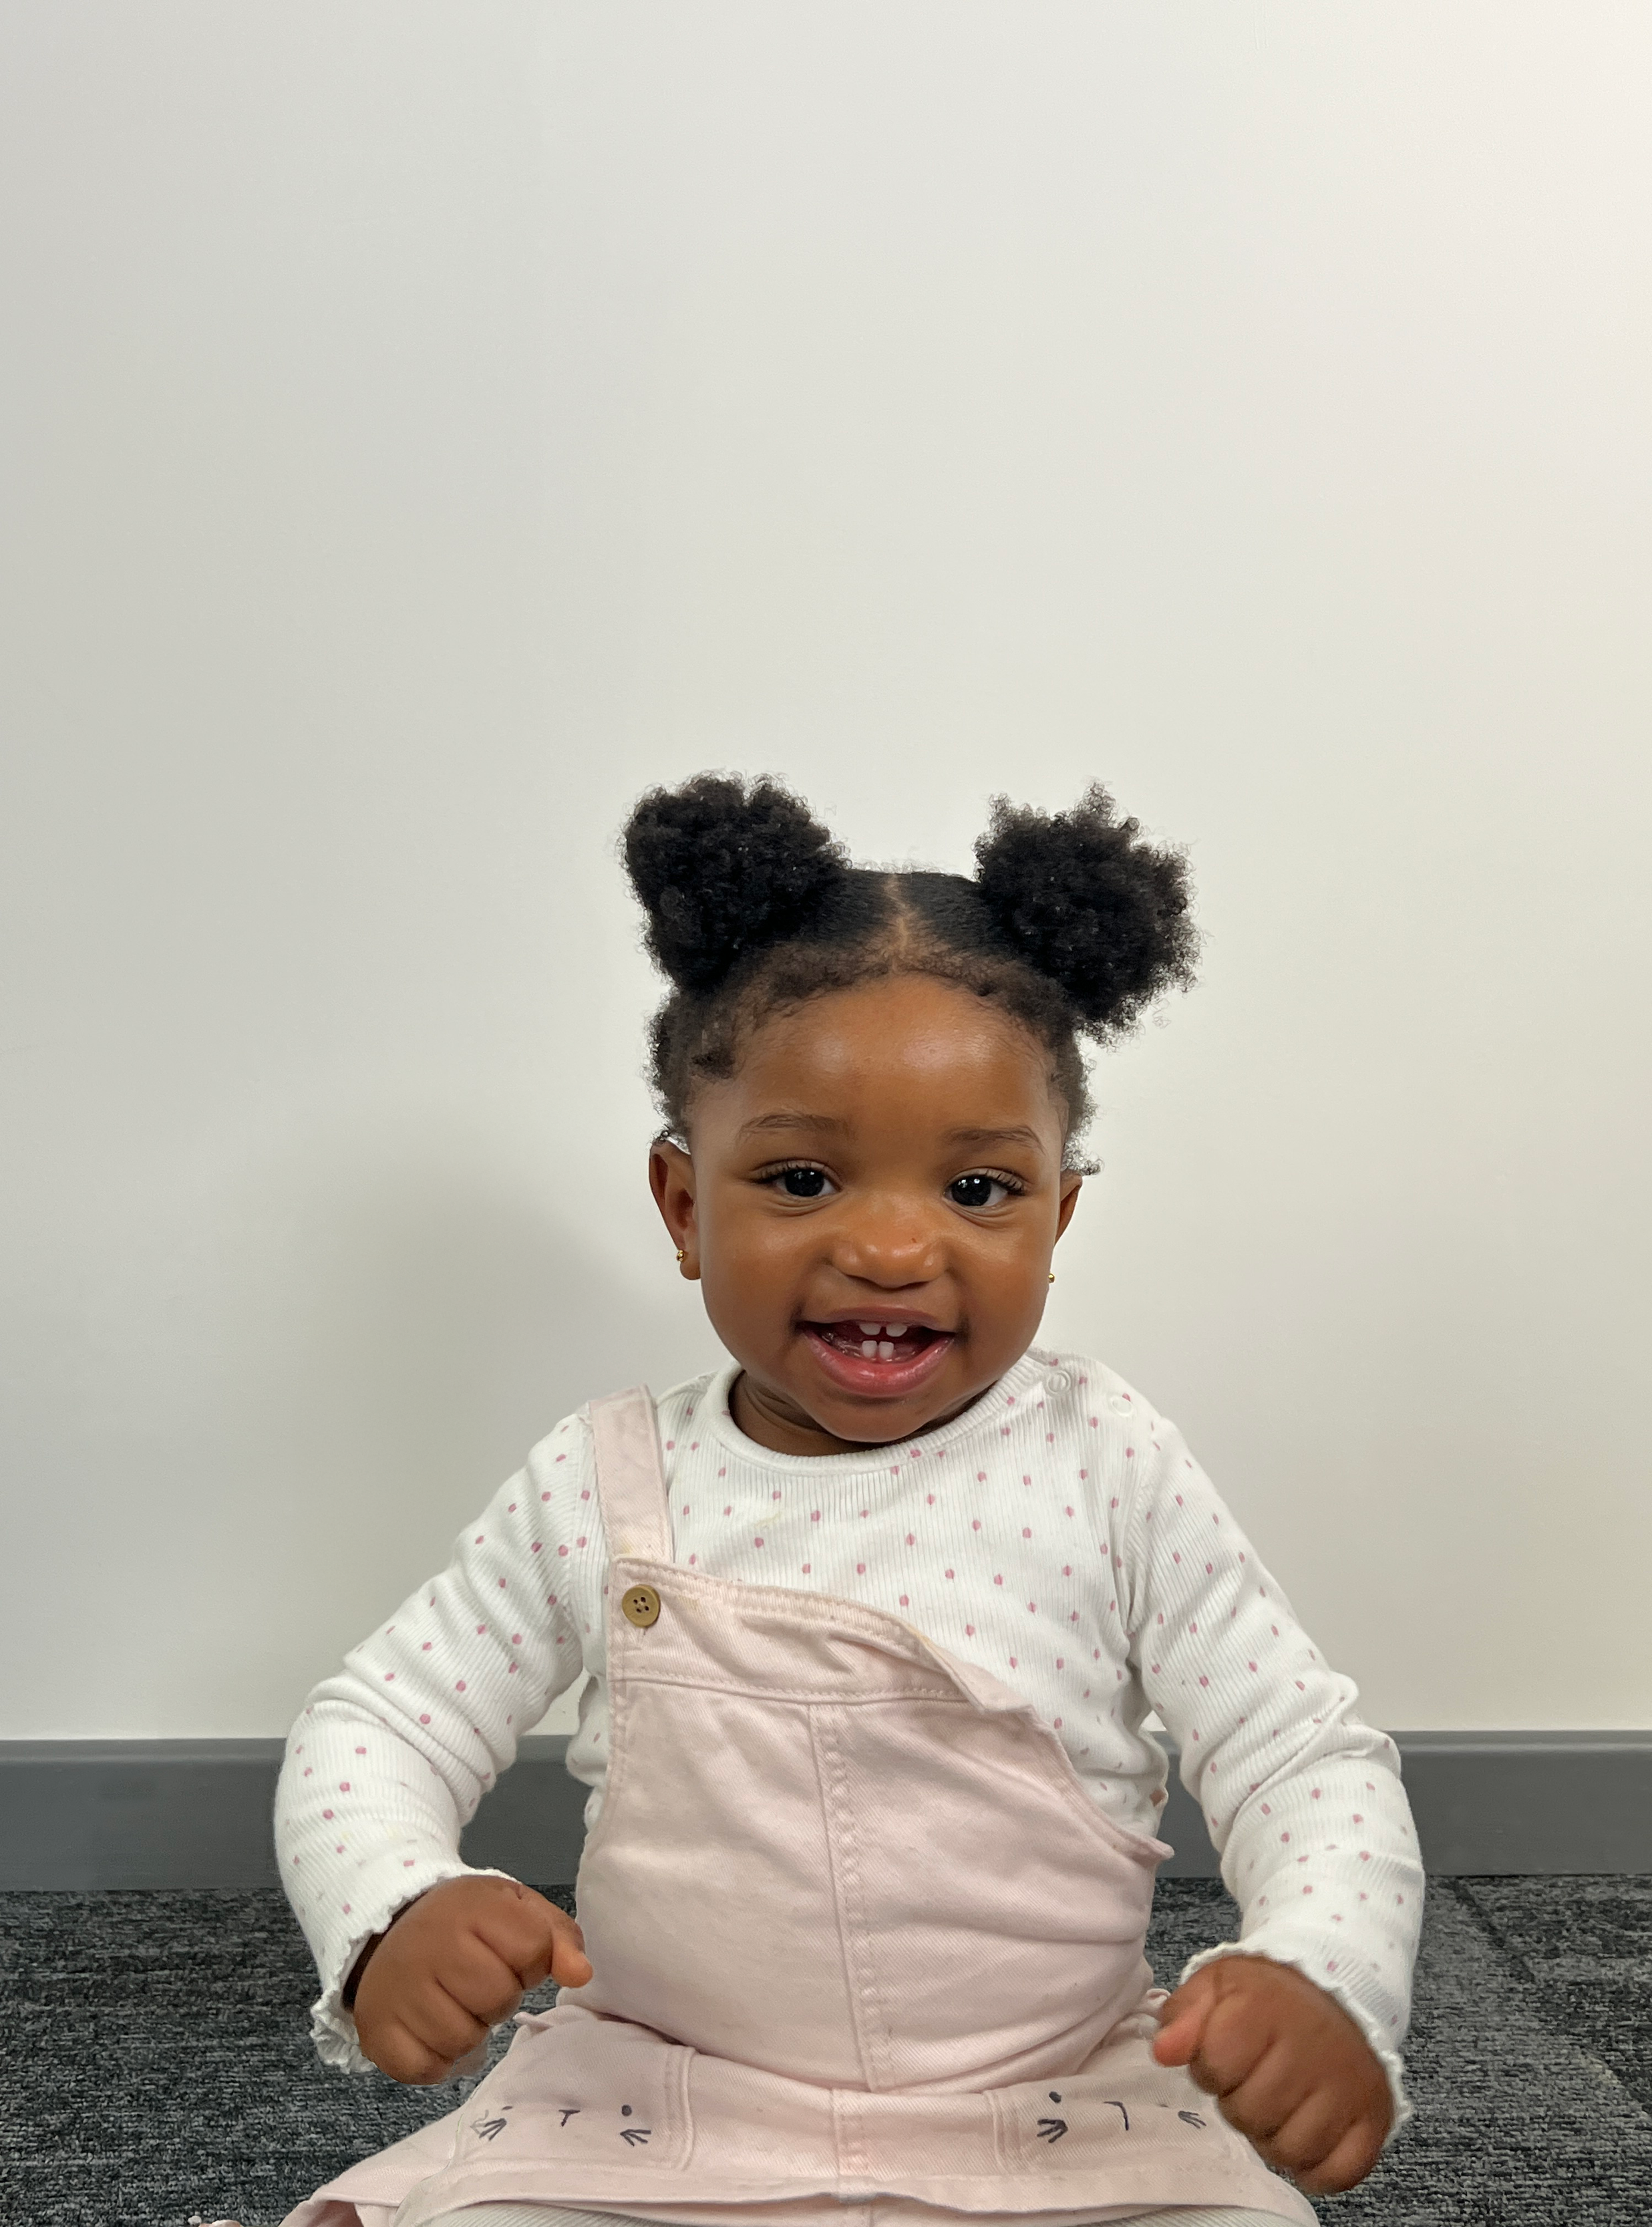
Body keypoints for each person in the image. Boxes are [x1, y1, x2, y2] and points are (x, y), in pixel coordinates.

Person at [259, 776, 1423, 2227]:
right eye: (803, 1177)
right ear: (685, 1205)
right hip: (658, 2103)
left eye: (978, 1191)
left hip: (1056, 2103)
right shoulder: (601, 1481)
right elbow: (377, 1723)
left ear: (1058, 1213)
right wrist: (390, 1907)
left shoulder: (1107, 1462)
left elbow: (1301, 1756)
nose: (887, 1247)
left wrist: (1321, 1970)